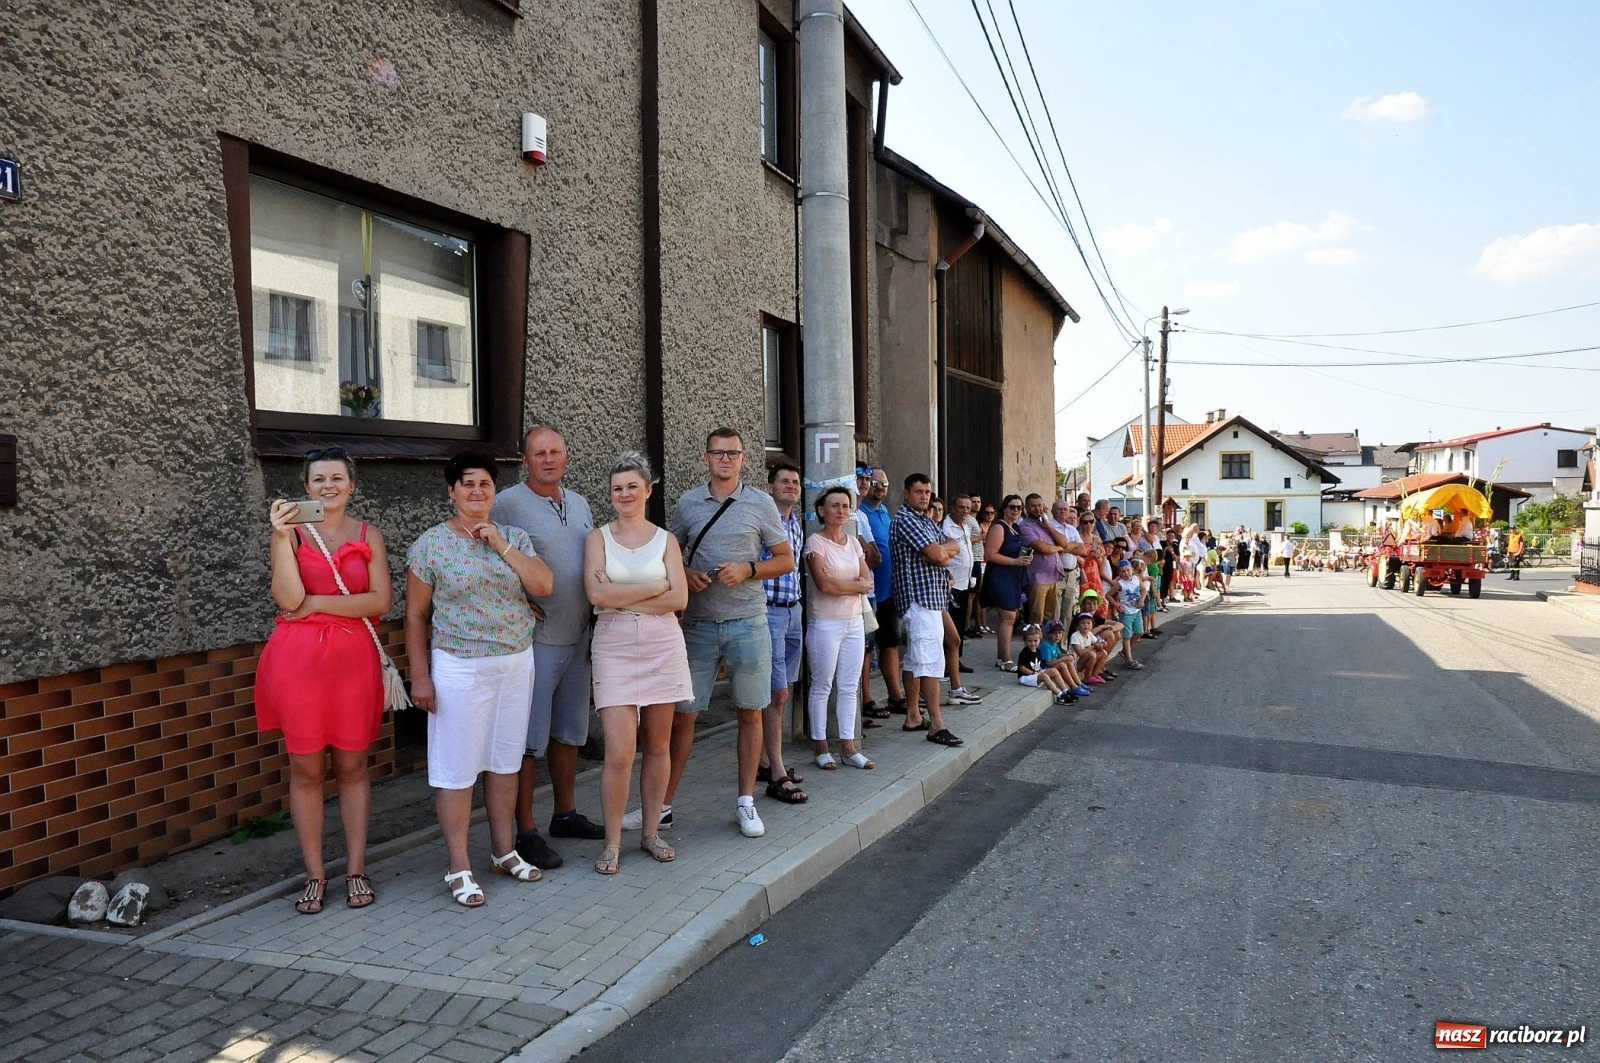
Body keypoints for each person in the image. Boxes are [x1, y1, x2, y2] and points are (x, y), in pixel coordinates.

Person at [406, 452, 555, 907]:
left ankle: (503, 851)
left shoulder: (513, 537)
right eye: (467, 484)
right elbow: (415, 615)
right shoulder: (431, 545)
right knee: (456, 770)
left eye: (485, 484)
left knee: (505, 762)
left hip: (514, 664)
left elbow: (544, 585)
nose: (476, 491)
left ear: (494, 491)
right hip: (460, 667)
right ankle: (459, 865)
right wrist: (419, 676)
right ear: (451, 492)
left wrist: (501, 545)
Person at [257, 448, 391, 915]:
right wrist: (279, 537)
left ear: (352, 485)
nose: (328, 486)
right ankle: (315, 874)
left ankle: (356, 869)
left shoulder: (369, 533)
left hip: (352, 662)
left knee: (352, 767)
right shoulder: (291, 533)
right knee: (307, 770)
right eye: (319, 479)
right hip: (299, 665)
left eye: (337, 478)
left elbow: (379, 601)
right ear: (306, 487)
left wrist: (316, 604)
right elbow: (288, 598)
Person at [658, 428, 793, 839]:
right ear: (706, 458)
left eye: (732, 453)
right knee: (684, 716)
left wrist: (749, 569)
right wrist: (685, 572)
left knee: (750, 712)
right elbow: (666, 553)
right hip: (698, 624)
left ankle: (745, 801)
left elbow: (785, 559)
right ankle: (662, 806)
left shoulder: (760, 503)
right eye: (718, 453)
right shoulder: (688, 503)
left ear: (743, 459)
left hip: (748, 623)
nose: (725, 460)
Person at [488, 425, 603, 874]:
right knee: (527, 740)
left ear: (566, 457)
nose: (548, 459)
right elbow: (486, 559)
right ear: (525, 460)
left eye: (555, 452)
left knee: (569, 731)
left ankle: (565, 814)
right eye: (539, 453)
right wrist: (515, 600)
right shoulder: (506, 504)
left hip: (579, 635)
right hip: (535, 641)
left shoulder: (580, 504)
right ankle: (525, 829)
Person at [584, 453, 691, 875]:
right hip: (614, 647)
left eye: (632, 486)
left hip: (663, 644)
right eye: (617, 488)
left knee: (659, 746)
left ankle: (650, 833)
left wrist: (622, 596)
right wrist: (656, 585)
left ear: (648, 490)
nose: (624, 494)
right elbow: (597, 596)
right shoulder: (597, 539)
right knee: (619, 753)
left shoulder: (666, 540)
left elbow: (679, 599)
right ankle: (612, 842)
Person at [804, 485, 875, 770]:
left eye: (845, 506)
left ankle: (848, 746)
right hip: (825, 624)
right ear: (822, 511)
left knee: (849, 686)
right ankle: (820, 746)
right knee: (822, 685)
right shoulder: (815, 544)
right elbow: (824, 585)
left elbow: (867, 581)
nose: (841, 511)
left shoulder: (854, 543)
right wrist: (854, 586)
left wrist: (848, 585)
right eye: (835, 506)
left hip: (854, 622)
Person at [891, 474, 964, 747]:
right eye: (918, 492)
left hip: (933, 599)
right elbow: (938, 556)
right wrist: (938, 553)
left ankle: (913, 716)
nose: (924, 496)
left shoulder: (925, 520)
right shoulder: (906, 520)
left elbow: (954, 545)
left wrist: (939, 552)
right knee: (930, 662)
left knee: (915, 660)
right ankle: (936, 725)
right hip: (919, 600)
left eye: (927, 492)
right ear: (906, 493)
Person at [759, 461, 808, 803]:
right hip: (769, 612)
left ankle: (765, 761)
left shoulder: (795, 524)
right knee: (776, 693)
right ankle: (777, 772)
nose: (791, 486)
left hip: (794, 611)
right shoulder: (763, 522)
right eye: (784, 481)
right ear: (770, 487)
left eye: (795, 482)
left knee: (783, 690)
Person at [860, 468, 905, 710]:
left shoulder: (884, 511)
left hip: (888, 591)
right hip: (868, 591)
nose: (879, 487)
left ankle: (895, 696)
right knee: (866, 648)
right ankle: (866, 699)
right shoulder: (860, 512)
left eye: (884, 484)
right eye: (874, 483)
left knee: (891, 643)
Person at [932, 497, 984, 705]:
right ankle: (945, 674)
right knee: (948, 636)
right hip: (947, 587)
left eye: (968, 508)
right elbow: (946, 553)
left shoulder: (966, 527)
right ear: (952, 509)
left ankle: (954, 673)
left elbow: (963, 551)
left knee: (957, 633)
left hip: (963, 583)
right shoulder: (946, 527)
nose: (965, 511)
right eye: (961, 507)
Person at [983, 495, 1031, 671]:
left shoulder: (1016, 528)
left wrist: (1025, 558)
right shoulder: (999, 527)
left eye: (1019, 507)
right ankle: (1006, 659)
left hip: (1014, 577)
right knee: (1008, 617)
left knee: (1011, 617)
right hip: (1000, 577)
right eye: (1012, 507)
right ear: (1004, 508)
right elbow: (990, 554)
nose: (1016, 510)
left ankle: (1001, 657)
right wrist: (1015, 561)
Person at [1019, 493, 1069, 628]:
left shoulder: (1045, 524)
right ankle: (1034, 641)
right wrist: (1058, 548)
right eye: (1033, 506)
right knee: (1037, 617)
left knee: (1048, 617)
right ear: (1026, 508)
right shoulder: (1025, 526)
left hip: (1053, 576)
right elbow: (1041, 548)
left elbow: (1064, 542)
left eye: (1040, 505)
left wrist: (1048, 525)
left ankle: (1044, 641)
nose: (1038, 509)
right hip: (1037, 578)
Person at [1016, 626, 1076, 705]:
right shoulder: (1025, 652)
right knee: (1044, 676)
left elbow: (1038, 665)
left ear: (1040, 640)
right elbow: (1022, 668)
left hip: (1035, 674)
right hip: (1026, 677)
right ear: (1025, 641)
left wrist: (1040, 671)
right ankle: (1059, 696)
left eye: (1035, 641)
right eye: (1030, 641)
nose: (1033, 643)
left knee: (1053, 671)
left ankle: (1065, 691)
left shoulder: (1037, 650)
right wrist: (1033, 673)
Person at [1113, 559, 1147, 670]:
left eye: (1128, 570)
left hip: (1136, 611)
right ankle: (1129, 659)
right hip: (1126, 613)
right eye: (1123, 571)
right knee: (1127, 636)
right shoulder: (1120, 584)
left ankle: (1125, 651)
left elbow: (1143, 590)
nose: (1126, 573)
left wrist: (1141, 600)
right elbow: (1108, 595)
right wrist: (1117, 605)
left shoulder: (1136, 579)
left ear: (1132, 569)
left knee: (1139, 632)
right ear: (1119, 573)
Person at [1069, 612, 1111, 683]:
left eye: (1088, 623)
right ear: (1078, 625)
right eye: (1083, 623)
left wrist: (1102, 644)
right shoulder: (1075, 636)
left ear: (1092, 625)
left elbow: (1097, 642)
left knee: (1103, 652)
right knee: (1092, 654)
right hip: (1075, 664)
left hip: (1085, 661)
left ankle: (1095, 674)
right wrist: (1094, 646)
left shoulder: (1090, 634)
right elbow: (1080, 653)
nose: (1086, 625)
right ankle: (1087, 678)